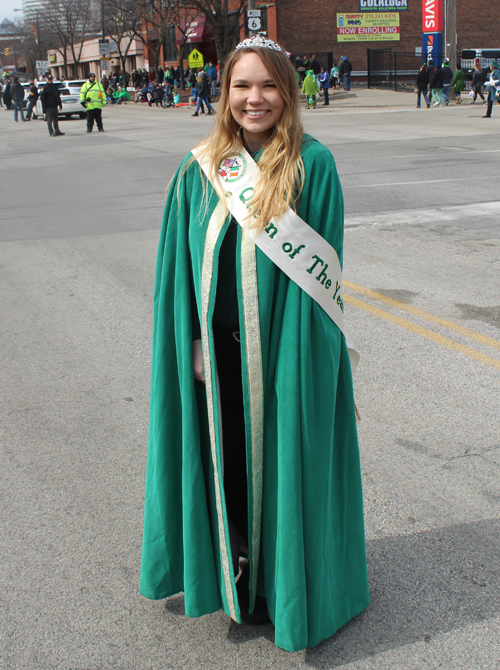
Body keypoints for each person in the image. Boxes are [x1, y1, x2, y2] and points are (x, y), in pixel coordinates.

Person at [140, 33, 369, 654]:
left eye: (268, 84)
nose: (255, 97)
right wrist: (187, 344)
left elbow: (320, 286)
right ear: (224, 93)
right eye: (242, 85)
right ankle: (232, 578)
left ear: (289, 93)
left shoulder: (311, 164)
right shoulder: (199, 170)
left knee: (280, 462)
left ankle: (281, 589)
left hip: (280, 357)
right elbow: (179, 278)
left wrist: (300, 368)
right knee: (226, 466)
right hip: (214, 360)